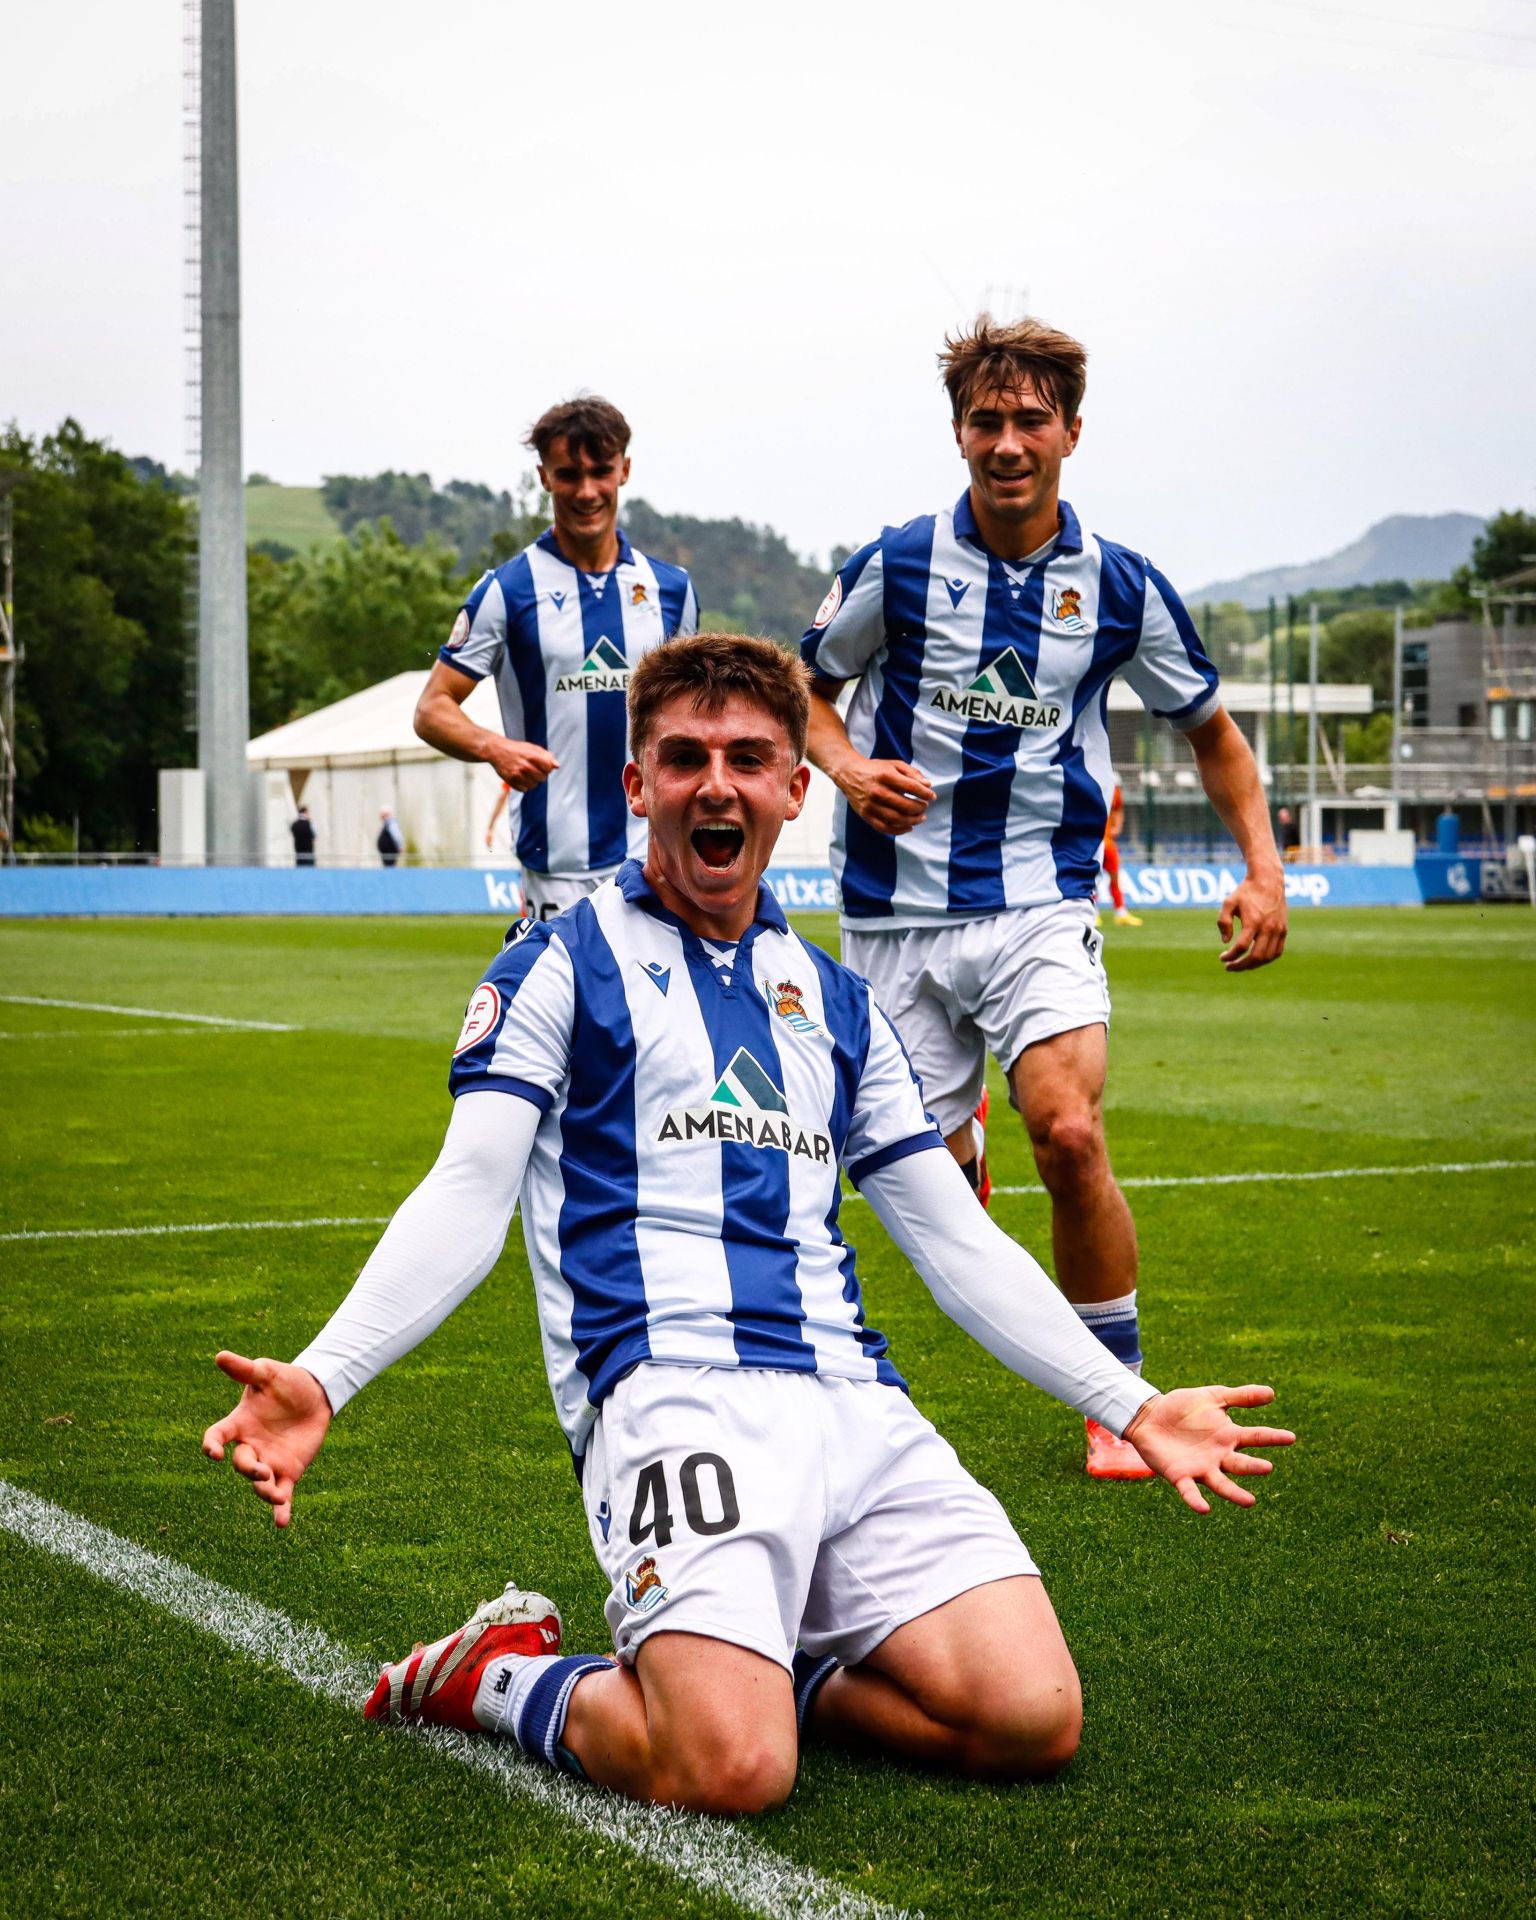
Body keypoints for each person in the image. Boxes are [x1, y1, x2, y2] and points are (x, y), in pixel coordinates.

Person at [203, 633, 1293, 1816]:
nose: (715, 784)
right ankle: (500, 1677)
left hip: (852, 1403)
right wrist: (328, 1375)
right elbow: (468, 1189)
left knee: (1032, 1718)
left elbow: (955, 1238)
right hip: (672, 1395)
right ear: (638, 786)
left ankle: (780, 1670)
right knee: (730, 1771)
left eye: (747, 759)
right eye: (684, 759)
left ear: (794, 790)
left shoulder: (838, 1002)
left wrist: (1129, 1403)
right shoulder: (555, 966)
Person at [799, 316, 1288, 1481]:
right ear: (959, 434)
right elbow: (803, 689)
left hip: (1038, 902)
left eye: (1031, 420)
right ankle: (956, 1156)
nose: (1008, 442)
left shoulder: (1119, 585)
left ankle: (1118, 1406)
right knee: (921, 1180)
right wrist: (850, 768)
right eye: (987, 421)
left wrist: (1263, 869)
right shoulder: (897, 564)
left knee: (1068, 1131)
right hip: (892, 915)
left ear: (1071, 432)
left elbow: (1212, 732)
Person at [414, 394, 699, 920]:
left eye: (601, 472)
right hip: (557, 864)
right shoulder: (507, 590)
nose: (586, 491)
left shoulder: (670, 590)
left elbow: (690, 716)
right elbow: (432, 709)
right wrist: (495, 748)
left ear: (624, 470)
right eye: (569, 474)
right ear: (544, 476)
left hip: (656, 854)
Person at [1098, 780, 1141, 927]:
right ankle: (1093, 914)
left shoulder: (1114, 790)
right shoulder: (1086, 784)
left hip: (1108, 842)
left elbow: (1118, 810)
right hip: (1092, 841)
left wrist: (1118, 825)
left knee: (1115, 878)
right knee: (1091, 879)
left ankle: (1121, 913)